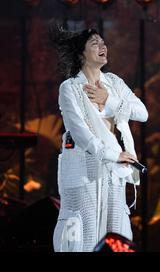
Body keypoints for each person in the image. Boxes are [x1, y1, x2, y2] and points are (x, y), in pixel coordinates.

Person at [50, 25, 148, 252]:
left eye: (103, 42)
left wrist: (109, 100)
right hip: (83, 169)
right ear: (81, 53)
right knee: (84, 233)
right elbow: (80, 133)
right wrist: (114, 155)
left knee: (115, 235)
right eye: (95, 43)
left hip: (114, 170)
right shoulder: (70, 88)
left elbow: (142, 113)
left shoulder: (114, 83)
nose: (102, 46)